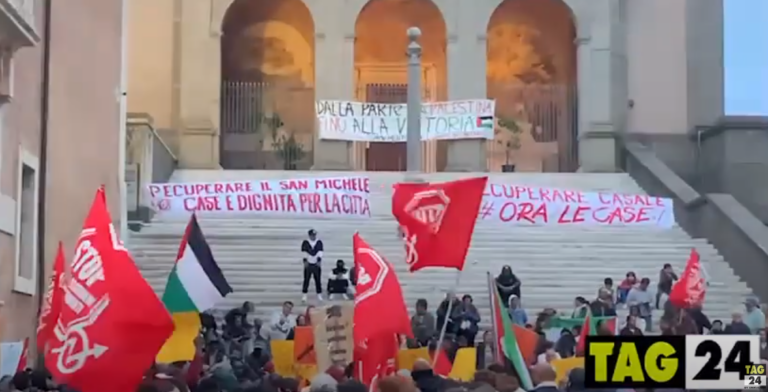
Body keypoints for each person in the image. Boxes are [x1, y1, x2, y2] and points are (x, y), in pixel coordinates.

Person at [302, 229, 324, 302]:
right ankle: (304, 295)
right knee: (306, 280)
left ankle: (319, 294)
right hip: (308, 263)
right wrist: (305, 261)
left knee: (318, 280)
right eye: (312, 235)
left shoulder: (319, 242)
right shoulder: (305, 242)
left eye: (314, 235)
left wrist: (319, 260)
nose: (313, 236)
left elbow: (320, 252)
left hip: (316, 264)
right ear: (309, 235)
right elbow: (304, 252)